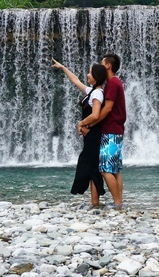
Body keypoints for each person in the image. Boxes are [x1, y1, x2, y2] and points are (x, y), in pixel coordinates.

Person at [52, 60, 108, 209]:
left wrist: (82, 123)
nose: (87, 75)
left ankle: (96, 202)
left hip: (94, 135)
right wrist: (63, 67)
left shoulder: (97, 93)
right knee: (91, 167)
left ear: (96, 77)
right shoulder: (93, 91)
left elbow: (96, 115)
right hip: (91, 135)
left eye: (90, 72)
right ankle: (94, 202)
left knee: (90, 166)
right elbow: (75, 81)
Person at [93, 53, 126, 208]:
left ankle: (117, 203)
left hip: (111, 131)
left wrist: (91, 122)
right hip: (117, 130)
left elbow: (107, 109)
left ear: (108, 66)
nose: (100, 65)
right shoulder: (115, 82)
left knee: (105, 169)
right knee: (115, 169)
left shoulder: (112, 83)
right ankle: (119, 201)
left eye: (102, 62)